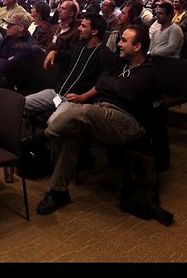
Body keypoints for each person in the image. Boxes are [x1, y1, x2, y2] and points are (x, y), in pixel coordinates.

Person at [35, 25, 161, 216]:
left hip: (128, 122)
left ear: (137, 47)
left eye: (124, 41)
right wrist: (113, 85)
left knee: (83, 111)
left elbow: (127, 92)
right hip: (103, 113)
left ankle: (41, 137)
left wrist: (110, 85)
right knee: (71, 135)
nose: (119, 44)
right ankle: (58, 192)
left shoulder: (149, 71)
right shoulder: (120, 63)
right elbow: (101, 83)